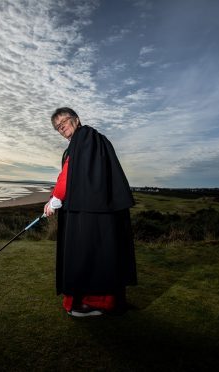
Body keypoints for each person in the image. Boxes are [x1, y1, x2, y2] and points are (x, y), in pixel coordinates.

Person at [44, 107, 137, 317]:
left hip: (89, 212)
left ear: (76, 119)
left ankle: (91, 303)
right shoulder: (88, 141)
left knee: (89, 254)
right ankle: (101, 302)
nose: (61, 128)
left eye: (64, 122)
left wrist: (56, 198)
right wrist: (54, 198)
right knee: (101, 254)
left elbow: (68, 174)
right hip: (95, 209)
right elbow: (71, 172)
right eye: (58, 127)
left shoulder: (85, 137)